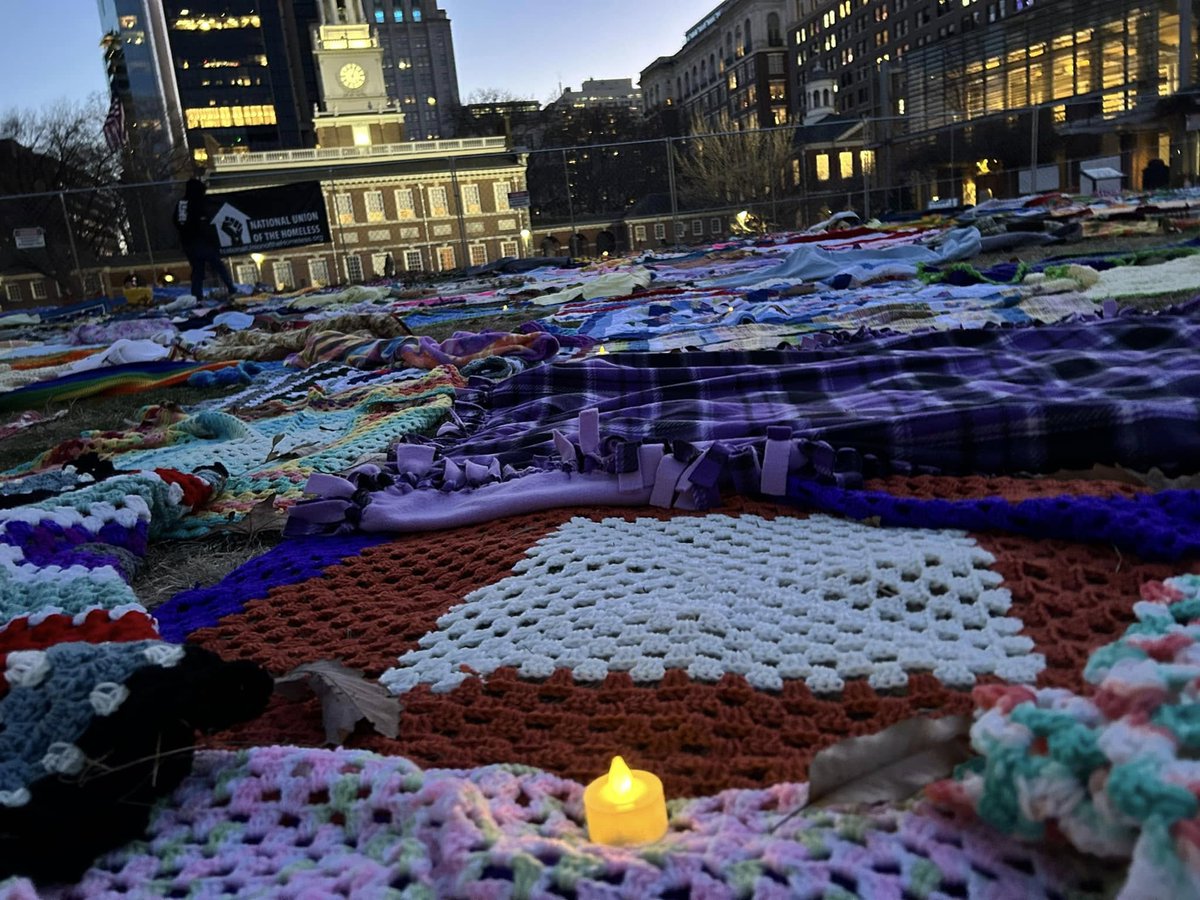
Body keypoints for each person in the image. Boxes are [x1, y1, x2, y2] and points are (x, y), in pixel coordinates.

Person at [174, 176, 236, 300]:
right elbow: (203, 222)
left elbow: (176, 221)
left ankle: (196, 295)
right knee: (217, 265)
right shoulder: (197, 203)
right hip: (200, 241)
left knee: (198, 269)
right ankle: (231, 288)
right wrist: (211, 237)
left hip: (187, 243)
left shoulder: (181, 204)